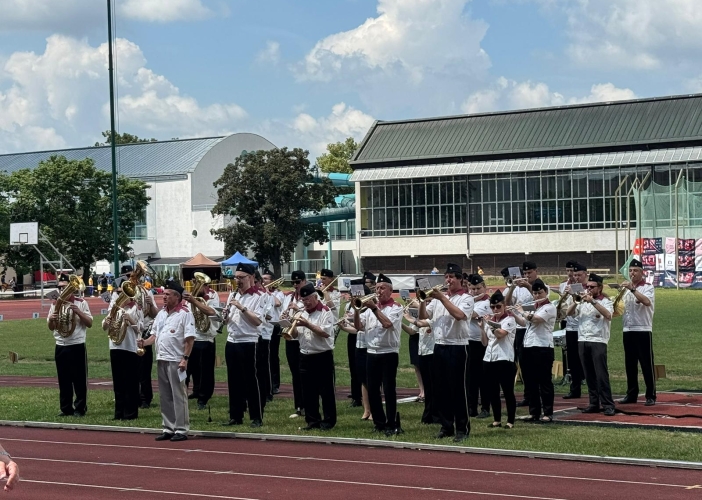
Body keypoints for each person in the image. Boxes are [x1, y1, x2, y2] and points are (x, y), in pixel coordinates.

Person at [419, 263, 474, 442]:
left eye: (451, 277)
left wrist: (442, 298)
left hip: (457, 346)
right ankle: (446, 426)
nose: (448, 280)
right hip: (439, 345)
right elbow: (424, 316)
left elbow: (459, 315)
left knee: (457, 389)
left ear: (460, 279)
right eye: (446, 277)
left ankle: (462, 428)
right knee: (440, 389)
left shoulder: (466, 298)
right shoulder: (438, 299)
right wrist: (422, 300)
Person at [138, 281, 195, 441]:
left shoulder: (185, 313)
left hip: (176, 360)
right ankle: (168, 427)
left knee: (178, 395)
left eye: (168, 294)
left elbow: (189, 340)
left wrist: (185, 359)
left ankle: (181, 429)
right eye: (164, 294)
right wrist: (144, 342)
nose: (164, 296)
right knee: (165, 396)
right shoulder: (162, 313)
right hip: (162, 358)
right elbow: (154, 335)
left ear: (177, 297)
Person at [357, 273, 404, 436]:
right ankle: (379, 422)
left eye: (382, 288)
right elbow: (358, 327)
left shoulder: (396, 307)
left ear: (390, 291)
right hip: (371, 352)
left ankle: (391, 423)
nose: (378, 291)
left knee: (389, 389)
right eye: (376, 288)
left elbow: (387, 323)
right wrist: (356, 310)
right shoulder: (370, 309)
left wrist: (373, 308)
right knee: (372, 389)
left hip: (388, 352)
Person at [222, 263, 265, 427]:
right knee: (233, 380)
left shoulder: (259, 296)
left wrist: (242, 308)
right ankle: (236, 415)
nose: (238, 281)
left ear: (251, 277)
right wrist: (225, 317)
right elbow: (227, 321)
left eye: (241, 277)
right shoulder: (233, 295)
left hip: (248, 341)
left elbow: (257, 321)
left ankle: (256, 417)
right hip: (232, 340)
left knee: (251, 380)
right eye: (236, 277)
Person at [567, 273, 615, 416]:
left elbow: (608, 315)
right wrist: (576, 301)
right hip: (582, 339)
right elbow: (568, 313)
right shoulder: (582, 302)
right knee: (589, 375)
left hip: (598, 340)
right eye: (587, 287)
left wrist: (593, 302)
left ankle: (608, 404)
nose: (589, 289)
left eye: (592, 287)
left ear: (599, 288)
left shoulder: (606, 301)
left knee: (601, 375)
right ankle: (594, 403)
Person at [292, 283, 336, 430]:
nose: (306, 303)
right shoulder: (301, 312)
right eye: (303, 300)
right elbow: (295, 335)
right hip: (305, 355)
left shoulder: (325, 311)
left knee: (326, 391)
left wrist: (307, 324)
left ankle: (329, 421)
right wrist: (290, 325)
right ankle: (312, 421)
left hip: (322, 355)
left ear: (316, 297)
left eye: (308, 299)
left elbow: (325, 332)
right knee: (308, 391)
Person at [514, 279, 557, 423]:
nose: (537, 295)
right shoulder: (533, 307)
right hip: (528, 346)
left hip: (543, 347)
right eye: (535, 293)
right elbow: (524, 323)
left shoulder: (549, 307)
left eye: (540, 293)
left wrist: (522, 311)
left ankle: (548, 412)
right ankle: (534, 412)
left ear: (545, 292)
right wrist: (514, 313)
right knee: (530, 381)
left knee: (544, 381)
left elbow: (536, 319)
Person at [47, 282, 93, 417]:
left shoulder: (81, 302)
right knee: (63, 379)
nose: (63, 289)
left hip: (76, 344)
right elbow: (51, 327)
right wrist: (51, 320)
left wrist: (78, 312)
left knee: (79, 378)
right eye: (60, 287)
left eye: (65, 287)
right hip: (60, 344)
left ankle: (80, 408)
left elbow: (89, 323)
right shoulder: (55, 303)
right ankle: (66, 408)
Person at [103, 277, 142, 421]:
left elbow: (140, 329)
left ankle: (130, 413)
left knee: (130, 382)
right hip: (115, 346)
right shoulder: (114, 309)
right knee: (118, 382)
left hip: (130, 347)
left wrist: (130, 319)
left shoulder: (136, 308)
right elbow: (104, 327)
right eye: (119, 293)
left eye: (123, 293)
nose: (121, 296)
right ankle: (118, 412)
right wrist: (107, 322)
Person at [618, 259, 656, 406]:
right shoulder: (626, 289)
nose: (632, 273)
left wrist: (633, 290)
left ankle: (650, 395)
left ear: (641, 272)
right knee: (630, 364)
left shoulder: (647, 287)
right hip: (628, 329)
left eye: (635, 270)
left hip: (642, 329)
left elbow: (646, 302)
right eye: (630, 271)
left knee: (646, 364)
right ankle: (631, 394)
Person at [505, 262, 541, 408]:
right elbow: (507, 303)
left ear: (536, 271)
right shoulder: (517, 288)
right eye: (525, 273)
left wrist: (528, 286)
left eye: (529, 273)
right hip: (519, 327)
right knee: (523, 363)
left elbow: (541, 300)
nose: (527, 276)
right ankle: (527, 395)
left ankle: (536, 395)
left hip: (533, 327)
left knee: (533, 365)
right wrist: (512, 287)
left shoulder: (540, 285)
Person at [481, 290, 517, 429]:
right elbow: (484, 342)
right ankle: (497, 419)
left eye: (498, 306)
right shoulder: (490, 321)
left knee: (507, 391)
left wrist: (489, 323)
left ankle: (510, 420)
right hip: (489, 358)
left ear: (504, 306)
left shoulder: (509, 320)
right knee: (492, 390)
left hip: (504, 358)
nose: (495, 309)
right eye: (493, 307)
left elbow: (500, 334)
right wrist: (482, 328)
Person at [183, 280, 219, 410]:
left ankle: (203, 398)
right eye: (195, 282)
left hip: (206, 338)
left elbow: (211, 312)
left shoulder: (213, 295)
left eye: (199, 283)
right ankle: (193, 391)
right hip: (192, 337)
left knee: (205, 371)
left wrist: (194, 301)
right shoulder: (191, 296)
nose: (196, 286)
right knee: (189, 369)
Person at [339, 280, 371, 419]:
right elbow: (357, 330)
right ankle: (366, 409)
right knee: (362, 378)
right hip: (359, 345)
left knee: (370, 379)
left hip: (370, 347)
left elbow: (361, 328)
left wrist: (349, 320)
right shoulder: (357, 310)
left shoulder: (370, 311)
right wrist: (343, 327)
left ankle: (372, 409)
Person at [404, 303, 437, 425]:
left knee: (434, 386)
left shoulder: (435, 316)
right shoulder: (420, 317)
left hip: (433, 352)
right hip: (423, 352)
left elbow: (421, 323)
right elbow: (412, 331)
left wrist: (409, 318)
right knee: (427, 385)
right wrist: (399, 324)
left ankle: (436, 414)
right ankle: (428, 414)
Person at [560, 262, 588, 399]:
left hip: (583, 328)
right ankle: (575, 388)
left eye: (579, 275)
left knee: (585, 359)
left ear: (585, 274)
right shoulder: (568, 286)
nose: (576, 277)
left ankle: (592, 388)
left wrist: (573, 294)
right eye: (575, 275)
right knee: (572, 360)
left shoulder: (588, 288)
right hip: (570, 327)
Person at [282, 270, 307, 417]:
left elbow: (312, 315)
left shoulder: (309, 296)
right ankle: (298, 405)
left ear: (304, 281)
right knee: (295, 374)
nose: (295, 285)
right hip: (291, 338)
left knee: (305, 373)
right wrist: (284, 316)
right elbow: (283, 315)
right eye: (293, 282)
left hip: (303, 338)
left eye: (298, 282)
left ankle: (307, 405)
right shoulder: (289, 297)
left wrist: (298, 309)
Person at [467, 274, 492, 419]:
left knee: (483, 377)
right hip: (468, 341)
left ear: (484, 287)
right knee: (471, 377)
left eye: (478, 288)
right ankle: (471, 407)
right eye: (472, 289)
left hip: (481, 342)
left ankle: (485, 407)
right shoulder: (470, 300)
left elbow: (469, 314)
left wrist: (466, 303)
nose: (475, 291)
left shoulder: (487, 303)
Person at [262, 269, 284, 399]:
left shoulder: (278, 293)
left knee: (273, 356)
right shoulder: (262, 293)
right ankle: (266, 383)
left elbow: (277, 303)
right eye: (262, 279)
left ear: (272, 281)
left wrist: (267, 291)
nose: (263, 281)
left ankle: (275, 384)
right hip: (263, 327)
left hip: (275, 326)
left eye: (266, 279)